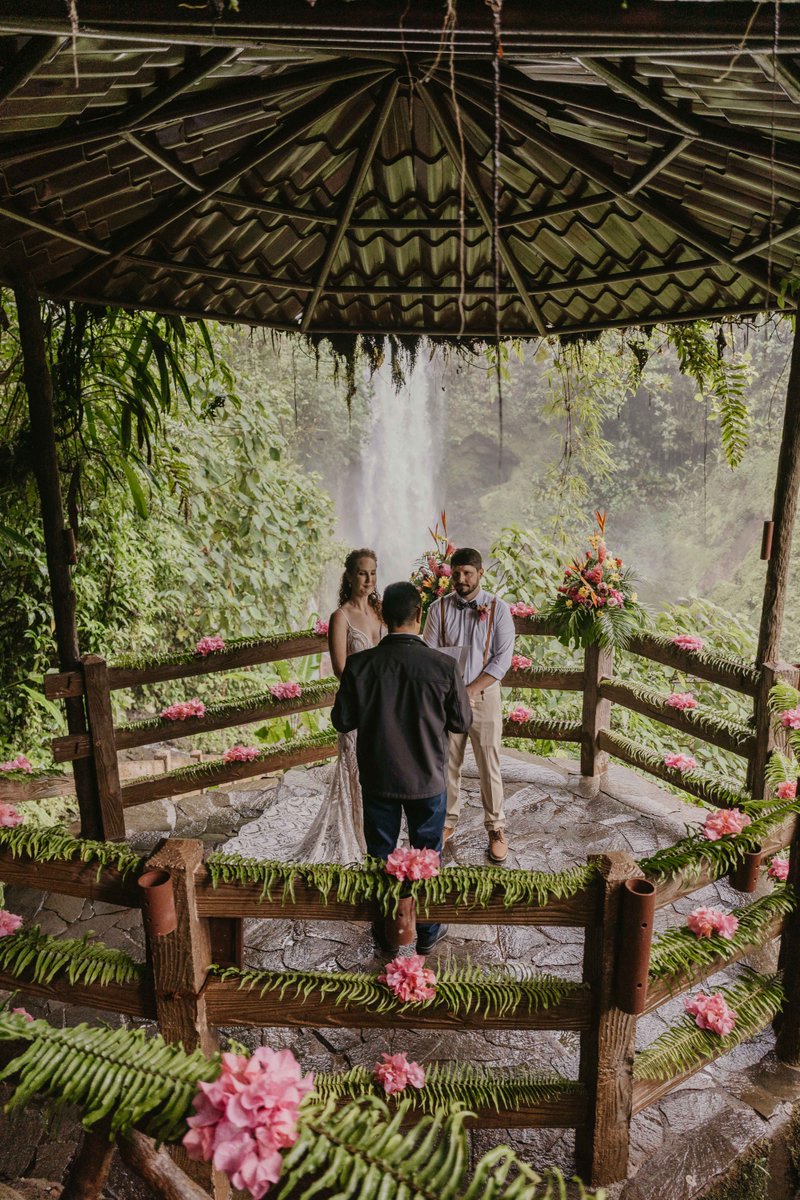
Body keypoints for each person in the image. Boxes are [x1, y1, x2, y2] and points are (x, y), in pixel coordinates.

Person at [331, 580, 472, 955]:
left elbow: (342, 720)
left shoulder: (361, 665)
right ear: (419, 616)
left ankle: (388, 929)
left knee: (381, 854)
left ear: (383, 615)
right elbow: (461, 722)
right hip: (428, 777)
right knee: (428, 856)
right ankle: (425, 931)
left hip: (378, 777)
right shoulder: (444, 666)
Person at [422, 547, 514, 863]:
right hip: (448, 698)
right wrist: (451, 692)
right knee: (448, 762)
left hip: (484, 697)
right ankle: (446, 822)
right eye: (457, 574)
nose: (461, 579)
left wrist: (471, 689)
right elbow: (430, 654)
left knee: (489, 763)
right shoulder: (438, 609)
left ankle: (496, 829)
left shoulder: (498, 609)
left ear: (480, 573)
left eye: (468, 574)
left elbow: (503, 658)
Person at [293, 548, 384, 863]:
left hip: (384, 708)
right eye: (362, 572)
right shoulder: (340, 617)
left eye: (372, 572)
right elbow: (341, 669)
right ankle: (355, 838)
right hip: (358, 706)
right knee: (354, 769)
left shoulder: (381, 611)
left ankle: (378, 835)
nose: (369, 579)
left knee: (379, 769)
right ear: (349, 576)